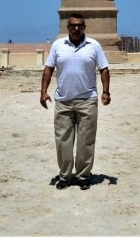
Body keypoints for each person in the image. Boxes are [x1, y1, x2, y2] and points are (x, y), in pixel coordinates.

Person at [40, 14, 110, 190]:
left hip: (87, 100)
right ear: (67, 27)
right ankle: (65, 176)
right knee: (63, 140)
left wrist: (106, 92)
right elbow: (48, 69)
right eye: (73, 26)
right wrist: (43, 92)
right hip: (63, 100)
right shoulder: (58, 45)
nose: (76, 29)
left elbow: (104, 69)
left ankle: (82, 175)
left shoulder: (94, 45)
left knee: (86, 140)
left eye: (79, 26)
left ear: (84, 27)